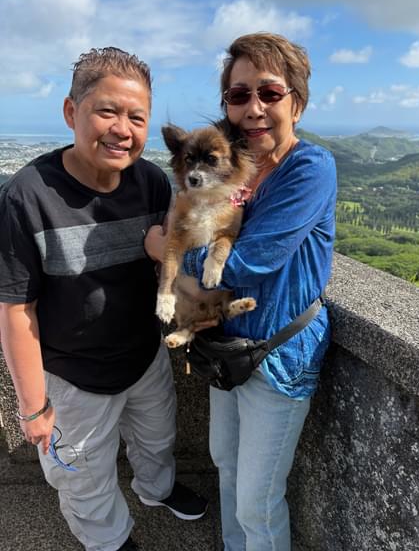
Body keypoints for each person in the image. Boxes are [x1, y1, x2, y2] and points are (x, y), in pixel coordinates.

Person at [0, 47, 207, 551]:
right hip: (72, 376)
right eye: (107, 111)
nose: (122, 130)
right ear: (71, 111)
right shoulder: (28, 196)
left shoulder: (150, 182)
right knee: (83, 477)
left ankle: (155, 490)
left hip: (144, 357)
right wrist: (33, 406)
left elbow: (170, 262)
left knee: (158, 440)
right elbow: (16, 307)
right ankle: (109, 540)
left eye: (137, 117)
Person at [145, 32, 337, 551]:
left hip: (278, 354)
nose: (254, 107)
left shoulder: (309, 168)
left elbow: (252, 261)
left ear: (296, 102)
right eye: (238, 94)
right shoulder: (237, 168)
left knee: (257, 500)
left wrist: (162, 246)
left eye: (269, 93)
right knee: (225, 466)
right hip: (226, 345)